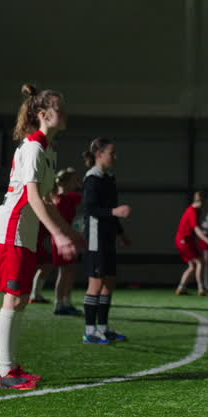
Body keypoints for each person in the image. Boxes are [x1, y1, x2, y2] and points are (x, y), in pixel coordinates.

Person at [0, 85, 82, 389]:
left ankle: (10, 367)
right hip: (11, 229)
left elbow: (49, 200)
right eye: (59, 108)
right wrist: (58, 235)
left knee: (21, 299)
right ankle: (5, 372)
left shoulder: (49, 150)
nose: (64, 114)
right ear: (42, 114)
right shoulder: (34, 147)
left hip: (24, 231)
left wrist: (67, 231)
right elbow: (34, 198)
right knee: (13, 299)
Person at [80, 138, 132, 343]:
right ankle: (89, 331)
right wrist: (114, 211)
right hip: (95, 237)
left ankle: (103, 327)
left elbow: (111, 211)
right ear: (99, 154)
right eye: (112, 153)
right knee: (96, 283)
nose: (115, 157)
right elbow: (90, 209)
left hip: (108, 235)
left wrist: (120, 233)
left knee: (109, 282)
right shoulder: (92, 178)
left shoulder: (109, 177)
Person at [30, 168, 84, 315]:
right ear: (66, 182)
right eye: (74, 180)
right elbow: (59, 224)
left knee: (70, 271)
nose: (77, 182)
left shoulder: (70, 198)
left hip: (70, 238)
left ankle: (66, 302)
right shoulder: (59, 201)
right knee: (64, 272)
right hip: (62, 240)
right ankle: (59, 304)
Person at [174, 192, 208, 295]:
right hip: (184, 241)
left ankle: (181, 288)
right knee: (200, 262)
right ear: (201, 200)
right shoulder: (193, 211)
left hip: (183, 241)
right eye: (206, 201)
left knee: (193, 266)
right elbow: (197, 230)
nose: (206, 204)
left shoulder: (196, 210)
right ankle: (201, 289)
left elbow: (197, 228)